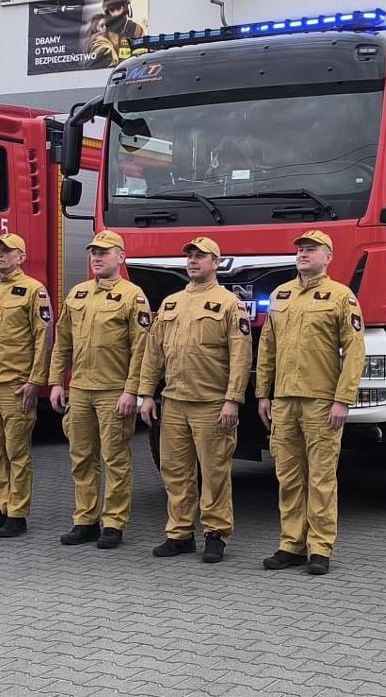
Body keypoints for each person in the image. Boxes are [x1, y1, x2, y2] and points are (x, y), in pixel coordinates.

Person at [254, 230, 364, 576]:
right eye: (300, 249)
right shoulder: (280, 294)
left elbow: (354, 352)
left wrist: (343, 399)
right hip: (284, 400)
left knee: (320, 478)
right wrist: (263, 393)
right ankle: (291, 545)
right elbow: (267, 348)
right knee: (288, 476)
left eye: (311, 249)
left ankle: (320, 548)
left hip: (321, 401)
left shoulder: (341, 296)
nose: (303, 254)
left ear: (328, 256)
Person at [135, 237, 251, 564]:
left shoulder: (230, 304)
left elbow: (241, 356)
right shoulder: (171, 303)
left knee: (214, 472)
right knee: (175, 471)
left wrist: (233, 399)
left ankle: (215, 533)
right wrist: (146, 394)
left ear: (216, 263)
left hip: (211, 403)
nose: (193, 261)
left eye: (201, 256)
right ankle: (180, 533)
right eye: (190, 256)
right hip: (173, 402)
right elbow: (153, 353)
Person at [48, 230, 153, 549]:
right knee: (81, 457)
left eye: (104, 252)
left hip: (113, 391)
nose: (96, 257)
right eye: (93, 252)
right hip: (80, 389)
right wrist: (56, 382)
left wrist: (132, 391)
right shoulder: (77, 294)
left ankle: (114, 523)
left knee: (115, 458)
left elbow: (142, 349)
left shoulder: (133, 296)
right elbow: (62, 343)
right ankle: (85, 520)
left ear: (120, 257)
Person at [0, 233, 52, 539]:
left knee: (16, 452)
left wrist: (34, 381)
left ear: (21, 257)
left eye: (7, 251)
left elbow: (43, 339)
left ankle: (17, 513)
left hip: (15, 385)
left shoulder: (33, 290)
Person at [87, 0, 146, 69]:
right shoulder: (103, 30)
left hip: (133, 71)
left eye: (118, 8)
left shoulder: (136, 29)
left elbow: (143, 54)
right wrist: (106, 54)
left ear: (125, 7)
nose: (116, 13)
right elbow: (98, 46)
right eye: (112, 10)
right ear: (107, 11)